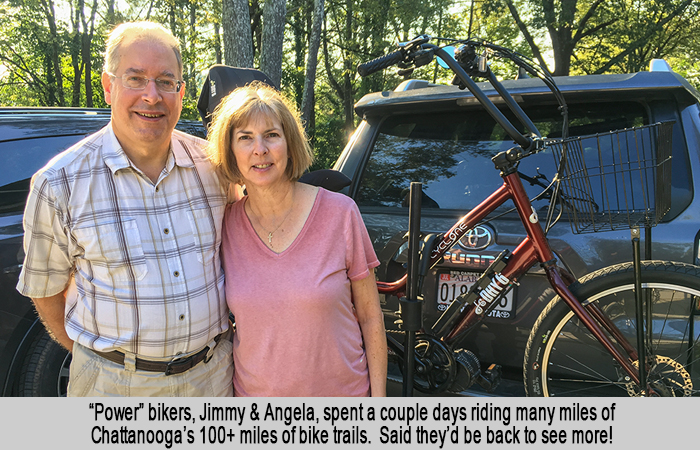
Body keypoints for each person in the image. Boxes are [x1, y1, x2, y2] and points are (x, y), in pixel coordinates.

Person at [16, 21, 232, 397]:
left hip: (213, 379)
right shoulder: (59, 183)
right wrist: (98, 360)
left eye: (166, 81)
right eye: (135, 79)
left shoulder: (215, 167)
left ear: (181, 92)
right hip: (113, 386)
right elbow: (44, 289)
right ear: (108, 85)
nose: (152, 96)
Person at [207, 82, 387, 396]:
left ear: (289, 144)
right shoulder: (225, 225)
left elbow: (371, 317)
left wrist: (380, 401)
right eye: (245, 138)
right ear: (230, 150)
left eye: (271, 135)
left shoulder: (340, 213)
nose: (259, 149)